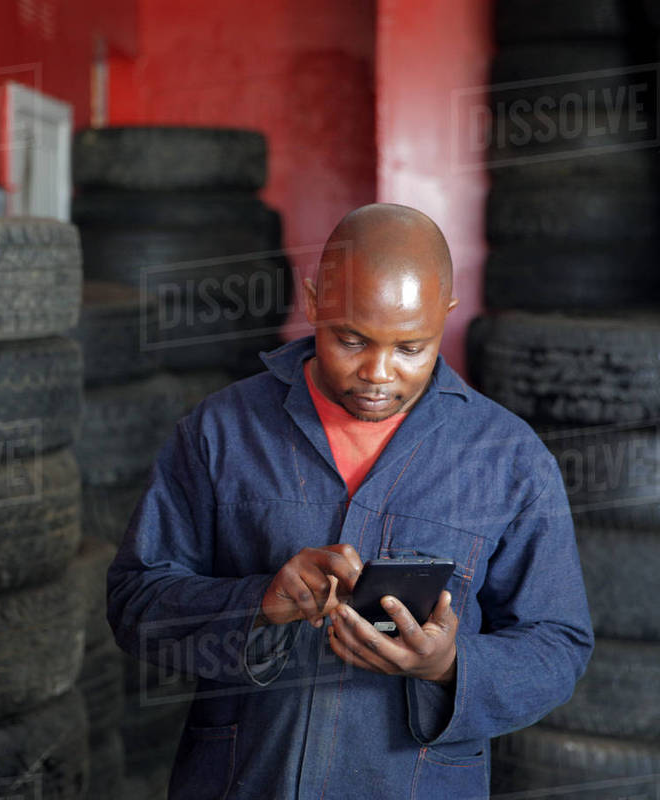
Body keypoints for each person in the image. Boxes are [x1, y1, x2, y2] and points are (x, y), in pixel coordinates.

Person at [107, 203, 594, 798]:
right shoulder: (222, 433)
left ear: (447, 313)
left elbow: (558, 645)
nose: (379, 372)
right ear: (312, 304)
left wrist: (447, 666)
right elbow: (135, 602)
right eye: (351, 339)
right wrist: (257, 602)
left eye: (411, 347)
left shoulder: (508, 459)